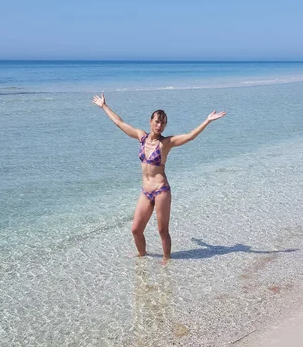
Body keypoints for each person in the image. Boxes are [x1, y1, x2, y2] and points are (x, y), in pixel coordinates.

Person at [92, 93, 226, 260]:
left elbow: (190, 136)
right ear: (150, 121)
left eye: (163, 123)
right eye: (157, 121)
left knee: (162, 230)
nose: (160, 125)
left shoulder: (166, 143)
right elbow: (120, 123)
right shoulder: (141, 137)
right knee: (136, 229)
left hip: (161, 190)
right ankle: (142, 256)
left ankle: (166, 260)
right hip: (145, 192)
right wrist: (104, 106)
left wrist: (207, 120)